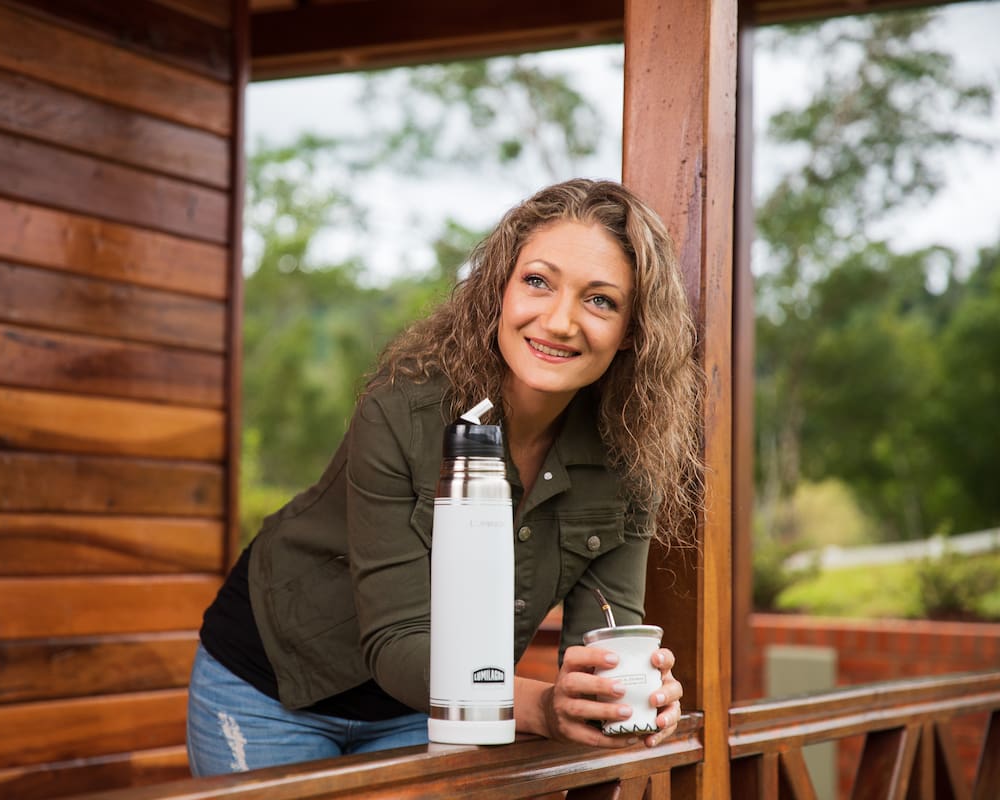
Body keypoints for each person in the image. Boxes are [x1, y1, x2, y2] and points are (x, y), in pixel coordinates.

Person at [186, 178, 705, 776]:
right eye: (537, 282)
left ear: (633, 332)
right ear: (499, 292)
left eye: (600, 300)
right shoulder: (401, 409)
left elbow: (604, 642)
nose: (560, 321)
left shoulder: (631, 458)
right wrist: (541, 705)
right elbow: (396, 639)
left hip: (450, 704)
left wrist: (625, 698)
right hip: (273, 683)